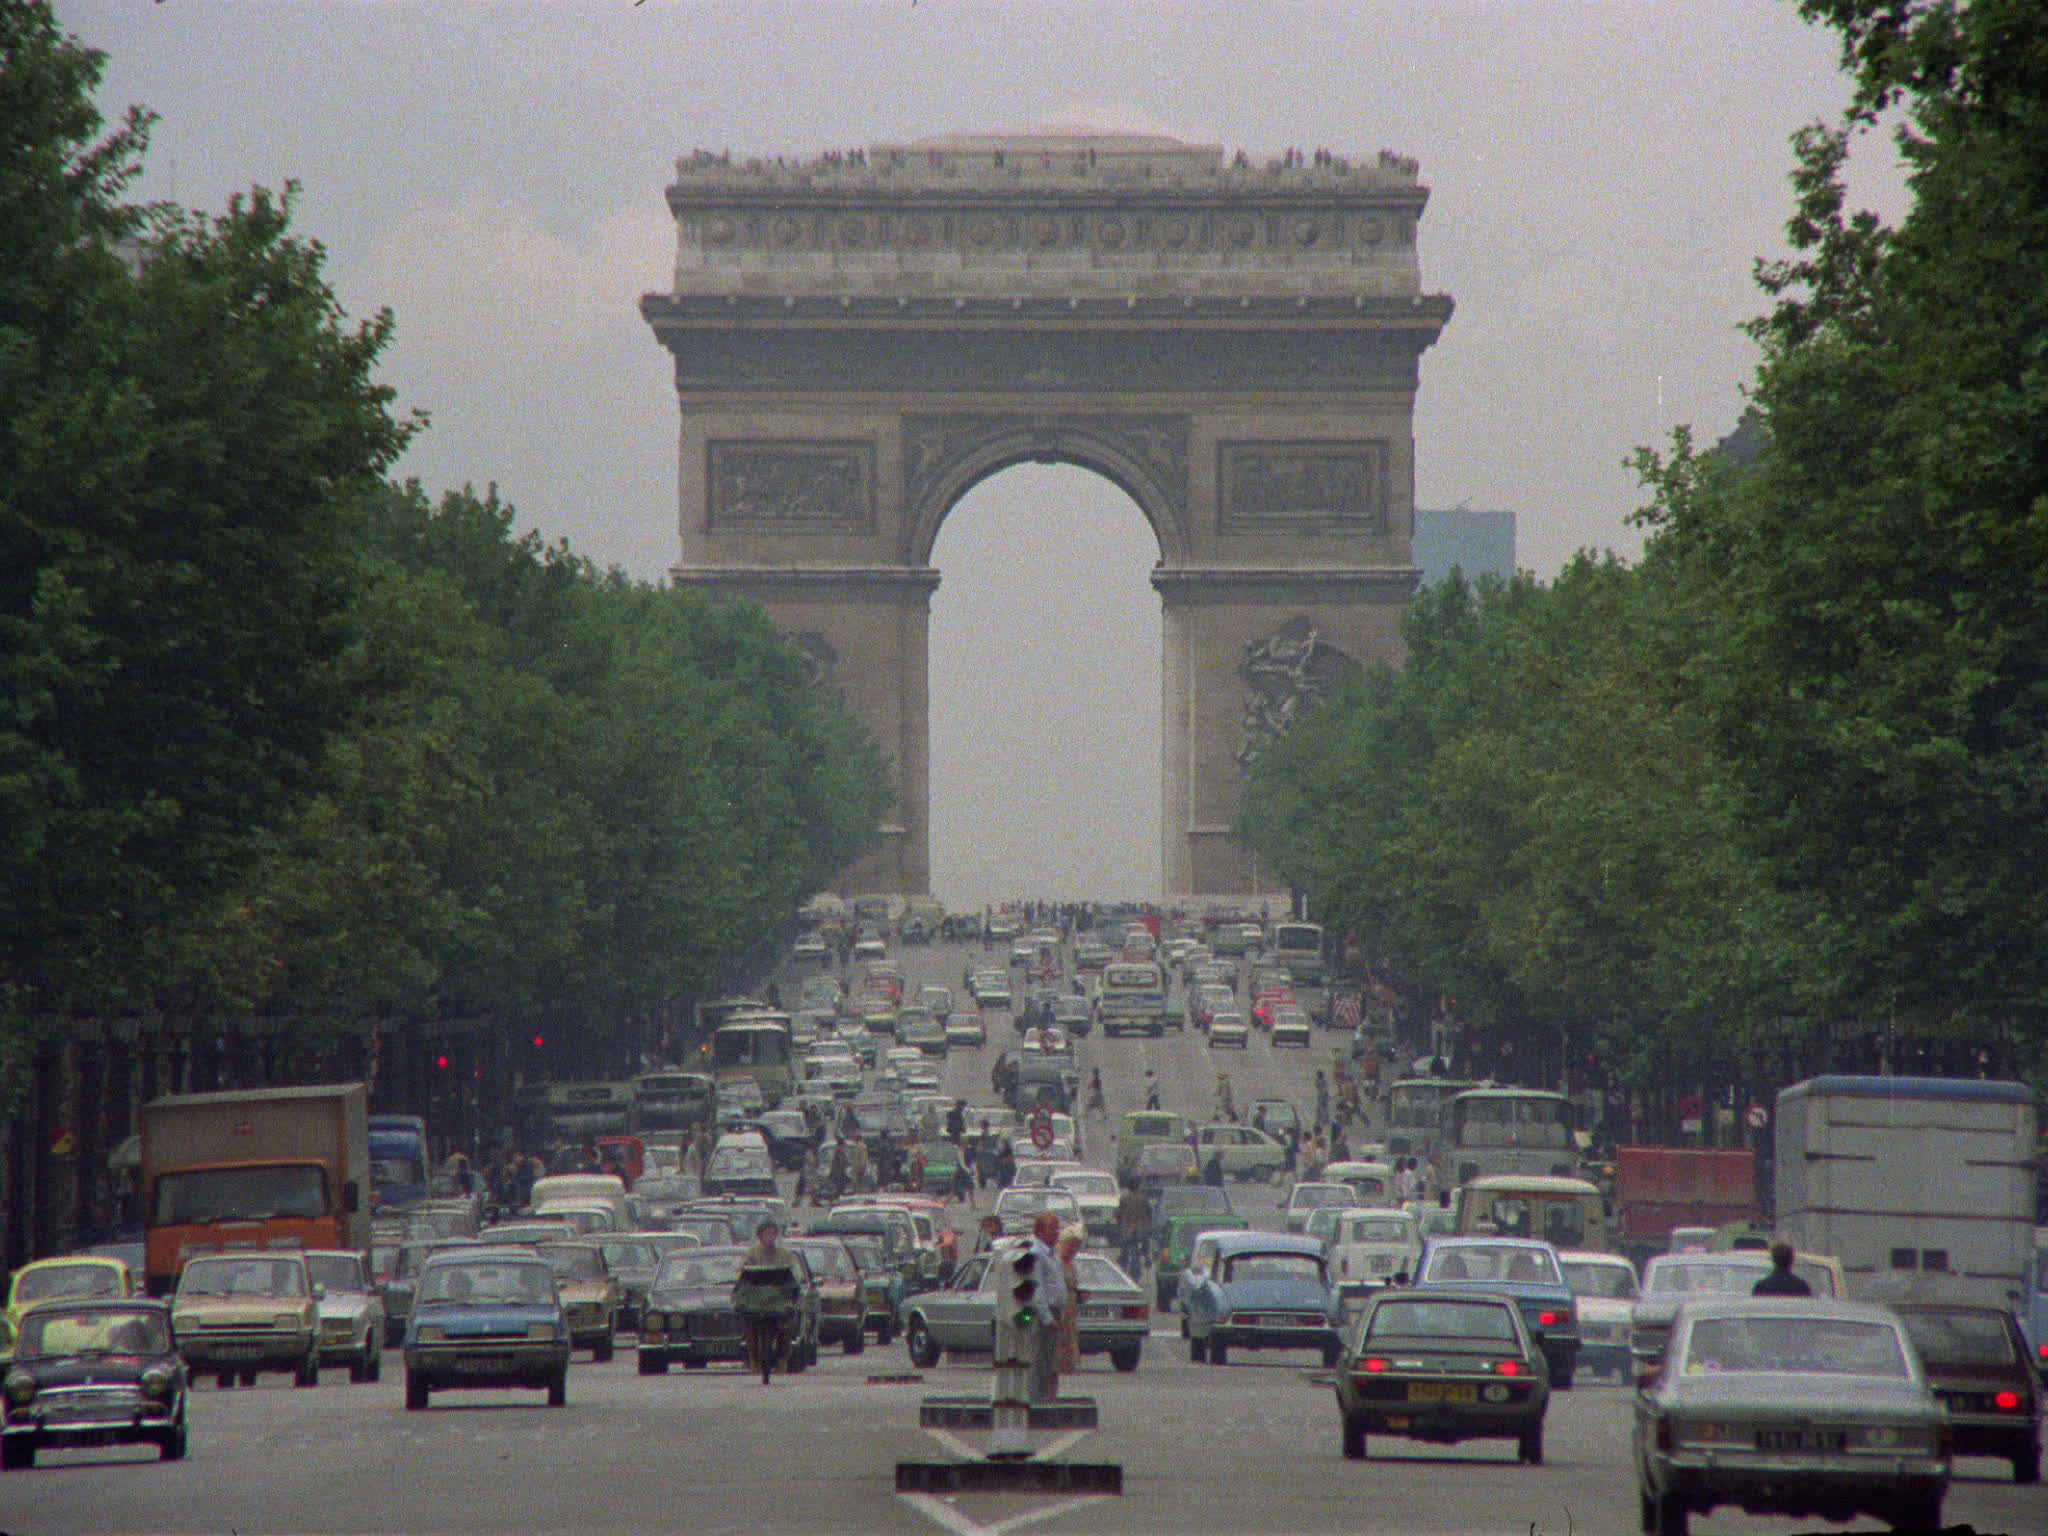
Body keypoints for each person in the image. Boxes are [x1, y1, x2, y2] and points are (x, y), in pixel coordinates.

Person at [733, 1220, 802, 1375]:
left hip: (779, 1301)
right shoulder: (750, 1254)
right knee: (749, 1327)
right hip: (756, 1302)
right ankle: (754, 1360)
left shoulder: (786, 1255)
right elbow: (741, 1275)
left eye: (772, 1234)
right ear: (760, 1236)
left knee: (786, 1328)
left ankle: (782, 1360)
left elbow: (794, 1277)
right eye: (766, 1234)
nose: (769, 1237)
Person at [1025, 1211, 1069, 1403]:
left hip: (1055, 1311)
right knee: (1039, 1359)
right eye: (1051, 1228)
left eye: (1057, 1228)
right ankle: (1036, 1399)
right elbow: (1037, 1287)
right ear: (1039, 1232)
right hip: (1043, 1313)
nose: (1056, 1232)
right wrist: (1046, 1317)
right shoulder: (1037, 1254)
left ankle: (1043, 1398)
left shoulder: (1051, 1254)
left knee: (1049, 1360)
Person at [1054, 1227, 1086, 1375]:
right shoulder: (1055, 1264)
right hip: (1058, 1311)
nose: (1073, 1249)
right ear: (1061, 1244)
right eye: (1070, 1245)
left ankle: (1067, 1367)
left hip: (1070, 1311)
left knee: (1069, 1339)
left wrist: (1079, 1296)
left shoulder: (1072, 1267)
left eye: (1076, 1246)